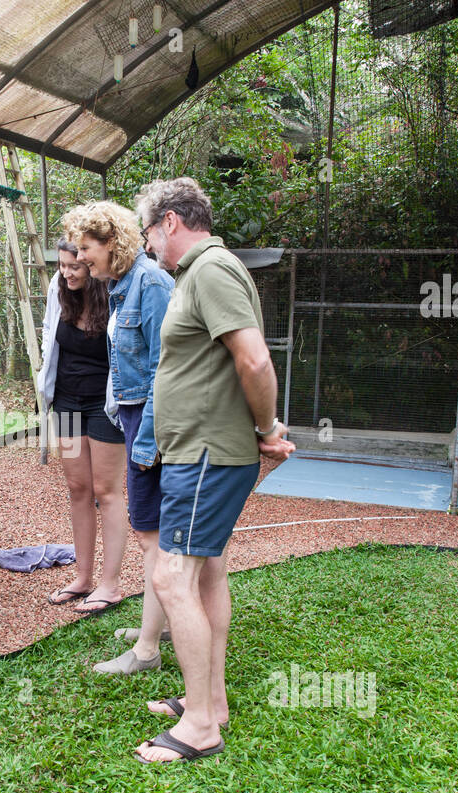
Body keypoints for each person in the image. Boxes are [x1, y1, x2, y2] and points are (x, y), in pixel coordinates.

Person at [132, 177, 295, 763]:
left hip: (205, 454)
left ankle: (200, 726)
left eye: (149, 232)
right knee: (206, 574)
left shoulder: (211, 269)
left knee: (171, 578)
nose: (147, 245)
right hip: (198, 452)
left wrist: (267, 430)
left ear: (170, 222)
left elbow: (253, 359)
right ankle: (212, 701)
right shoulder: (199, 273)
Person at [61, 200, 175, 673]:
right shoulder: (119, 285)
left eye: (85, 249)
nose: (79, 261)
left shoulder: (148, 284)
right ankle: (157, 622)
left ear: (113, 243)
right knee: (136, 521)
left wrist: (145, 440)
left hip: (134, 418)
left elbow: (162, 372)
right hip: (87, 408)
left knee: (147, 529)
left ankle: (147, 647)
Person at [37, 238, 127, 616]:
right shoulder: (59, 294)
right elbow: (49, 343)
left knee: (106, 490)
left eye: (74, 266)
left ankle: (111, 583)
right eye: (62, 265)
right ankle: (83, 577)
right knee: (77, 487)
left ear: (92, 264)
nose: (67, 272)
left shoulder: (115, 296)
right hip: (68, 405)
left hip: (104, 406)